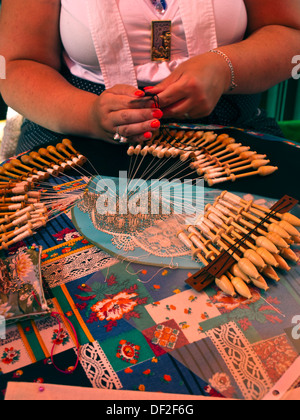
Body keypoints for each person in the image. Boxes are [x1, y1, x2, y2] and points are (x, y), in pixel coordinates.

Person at [0, 0, 300, 156]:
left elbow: (291, 37)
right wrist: (89, 115)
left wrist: (224, 68)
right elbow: (14, 65)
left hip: (231, 137)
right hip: (73, 141)